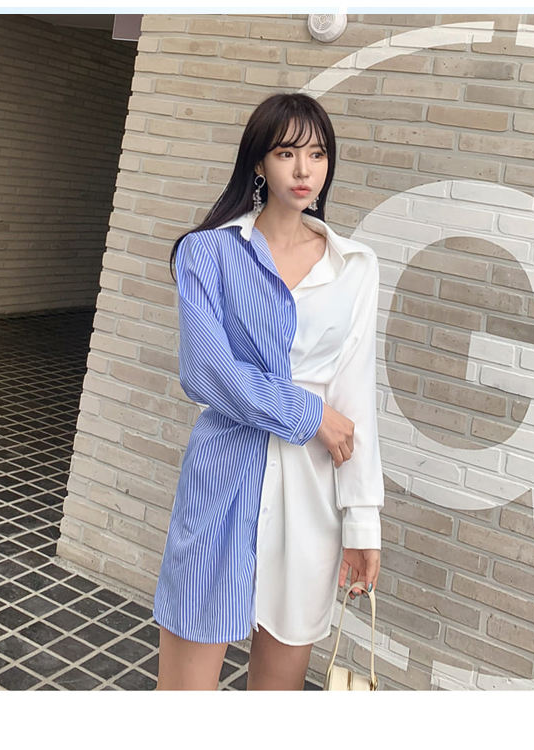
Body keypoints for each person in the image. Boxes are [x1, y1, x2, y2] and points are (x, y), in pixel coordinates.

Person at [153, 92, 384, 690]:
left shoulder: (353, 266)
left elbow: (354, 400)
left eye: (318, 154)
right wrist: (309, 413)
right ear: (258, 162)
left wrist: (362, 524)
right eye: (286, 153)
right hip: (223, 482)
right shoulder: (208, 252)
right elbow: (205, 371)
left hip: (311, 495)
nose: (304, 170)